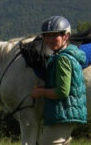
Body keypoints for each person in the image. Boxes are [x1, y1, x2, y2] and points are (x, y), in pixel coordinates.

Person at [30, 16, 87, 145]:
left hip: (63, 115)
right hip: (65, 114)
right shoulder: (66, 55)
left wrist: (40, 92)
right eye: (46, 36)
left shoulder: (62, 59)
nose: (49, 40)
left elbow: (62, 91)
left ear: (66, 36)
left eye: (54, 36)